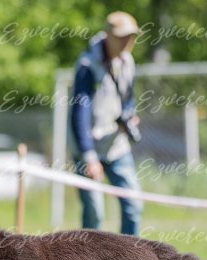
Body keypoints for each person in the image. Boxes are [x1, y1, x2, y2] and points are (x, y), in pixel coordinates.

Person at [71, 11, 143, 235]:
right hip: (89, 148)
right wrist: (89, 157)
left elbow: (127, 96)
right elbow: (78, 114)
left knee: (133, 204)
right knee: (95, 214)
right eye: (122, 37)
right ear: (108, 36)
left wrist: (129, 115)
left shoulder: (127, 61)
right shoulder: (87, 65)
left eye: (131, 37)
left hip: (116, 145)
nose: (127, 42)